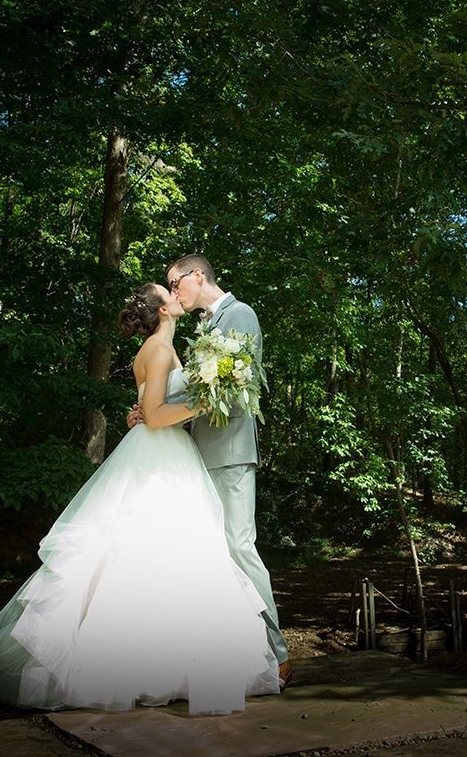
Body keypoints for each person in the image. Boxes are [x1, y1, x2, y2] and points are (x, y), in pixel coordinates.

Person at [0, 283, 280, 715]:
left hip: (171, 454)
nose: (175, 294)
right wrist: (202, 405)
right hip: (160, 456)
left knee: (175, 558)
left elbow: (153, 405)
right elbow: (156, 415)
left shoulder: (167, 347)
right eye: (167, 292)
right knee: (145, 554)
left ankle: (167, 664)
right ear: (161, 310)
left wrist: (156, 408)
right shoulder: (156, 349)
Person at [131, 254, 291, 689]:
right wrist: (149, 410)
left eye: (174, 282)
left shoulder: (240, 315)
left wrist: (159, 410)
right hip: (196, 456)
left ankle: (276, 656)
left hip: (229, 453)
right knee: (208, 557)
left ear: (196, 276)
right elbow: (194, 389)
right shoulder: (204, 328)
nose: (174, 291)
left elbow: (238, 387)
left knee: (239, 548)